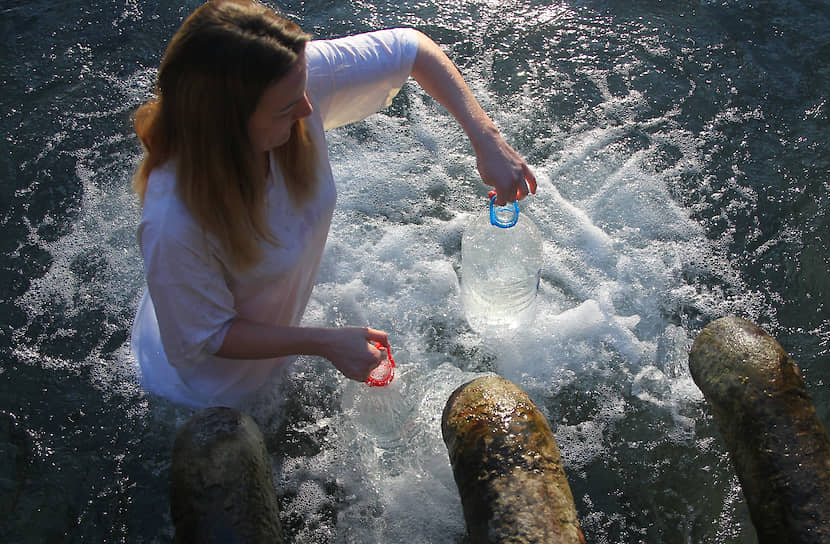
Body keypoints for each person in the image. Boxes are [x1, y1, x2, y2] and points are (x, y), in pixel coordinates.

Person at [129, 0, 536, 408]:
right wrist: (323, 342)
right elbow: (209, 334)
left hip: (265, 335)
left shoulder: (289, 77)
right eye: (289, 107)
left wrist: (487, 139)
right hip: (206, 390)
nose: (309, 109)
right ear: (227, 125)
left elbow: (413, 50)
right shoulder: (174, 220)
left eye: (304, 91)